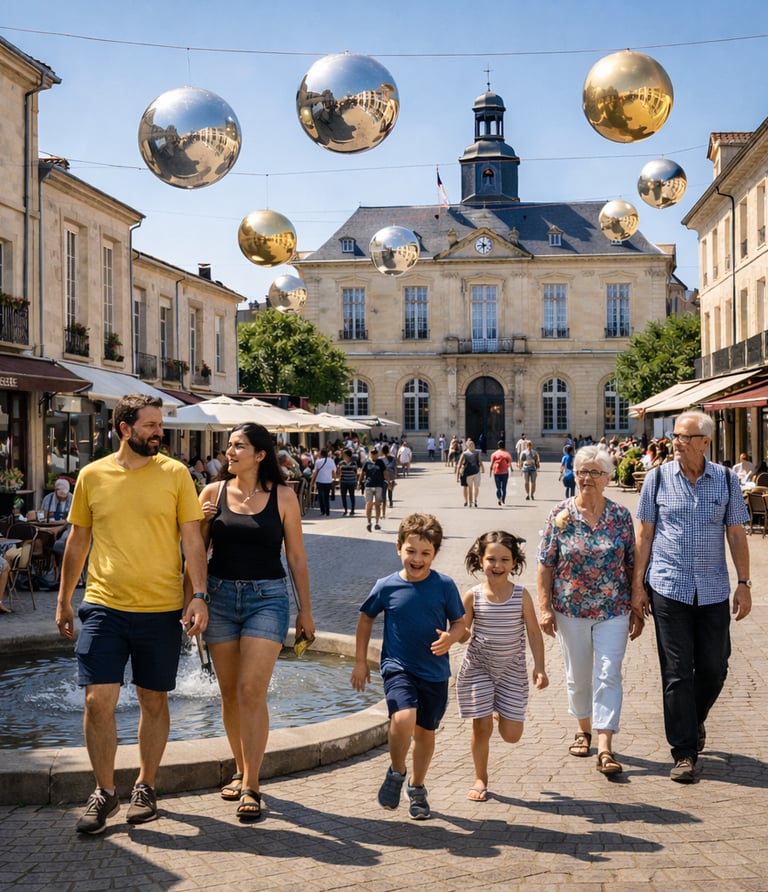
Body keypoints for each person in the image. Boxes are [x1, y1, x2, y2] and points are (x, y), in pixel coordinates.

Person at [55, 394, 209, 835]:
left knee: (152, 699)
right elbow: (78, 543)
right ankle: (104, 792)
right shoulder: (92, 475)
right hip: (104, 606)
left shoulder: (177, 475)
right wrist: (64, 599)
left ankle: (145, 785)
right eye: (150, 425)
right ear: (124, 428)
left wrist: (198, 594)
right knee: (96, 699)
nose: (159, 432)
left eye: (160, 425)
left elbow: (193, 541)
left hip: (160, 609)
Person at [198, 422, 314, 821]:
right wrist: (201, 524)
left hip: (268, 598)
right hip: (220, 597)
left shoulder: (283, 496)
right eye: (228, 446)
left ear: (260, 454)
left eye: (238, 446)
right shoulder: (211, 494)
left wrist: (306, 610)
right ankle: (239, 766)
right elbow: (197, 552)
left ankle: (252, 783)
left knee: (251, 691)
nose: (229, 452)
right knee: (229, 693)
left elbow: (296, 558)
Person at [632, 410, 751, 783]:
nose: (676, 443)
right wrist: (638, 585)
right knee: (677, 672)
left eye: (683, 437)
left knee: (715, 668)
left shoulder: (727, 481)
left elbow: (735, 534)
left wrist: (744, 583)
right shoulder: (657, 479)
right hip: (668, 587)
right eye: (674, 437)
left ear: (705, 442)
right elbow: (645, 535)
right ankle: (684, 752)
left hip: (713, 588)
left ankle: (693, 718)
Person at [350, 513, 465, 820]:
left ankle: (417, 786)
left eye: (425, 553)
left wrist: (450, 639)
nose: (417, 558)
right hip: (398, 666)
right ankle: (397, 771)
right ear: (398, 548)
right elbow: (365, 619)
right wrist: (361, 661)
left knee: (426, 733)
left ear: (436, 553)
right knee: (403, 718)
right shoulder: (385, 586)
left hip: (435, 672)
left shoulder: (445, 585)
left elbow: (460, 625)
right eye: (411, 551)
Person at [537, 445, 638, 777]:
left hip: (614, 607)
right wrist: (545, 607)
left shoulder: (621, 516)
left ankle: (606, 745)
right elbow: (545, 565)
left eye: (595, 472)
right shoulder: (560, 514)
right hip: (571, 608)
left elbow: (633, 563)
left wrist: (637, 602)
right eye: (582, 471)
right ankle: (583, 729)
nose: (587, 478)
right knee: (578, 674)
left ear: (608, 478)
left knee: (609, 672)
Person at [456, 531, 548, 801]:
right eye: (491, 559)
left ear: (514, 563)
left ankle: (499, 711)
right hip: (478, 669)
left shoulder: (521, 596)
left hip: (511, 672)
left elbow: (533, 633)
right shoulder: (472, 596)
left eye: (504, 559)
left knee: (511, 735)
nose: (497, 565)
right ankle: (480, 779)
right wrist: (455, 634)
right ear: (479, 560)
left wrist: (539, 667)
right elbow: (462, 632)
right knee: (481, 726)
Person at [360, 447, 392, 532]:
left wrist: (389, 483)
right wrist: (359, 483)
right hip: (369, 485)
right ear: (370, 454)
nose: (374, 455)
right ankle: (369, 522)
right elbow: (362, 473)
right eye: (372, 453)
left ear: (377, 454)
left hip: (379, 485)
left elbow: (385, 473)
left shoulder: (380, 462)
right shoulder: (366, 462)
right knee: (369, 503)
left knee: (377, 504)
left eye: (375, 453)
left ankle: (377, 522)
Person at [456, 439, 484, 507]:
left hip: (476, 472)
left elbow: (480, 462)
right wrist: (457, 475)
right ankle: (469, 501)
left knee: (476, 487)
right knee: (469, 487)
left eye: (473, 444)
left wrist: (483, 469)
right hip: (468, 473)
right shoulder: (464, 454)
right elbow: (459, 465)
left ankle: (475, 500)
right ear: (468, 446)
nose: (472, 446)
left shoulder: (477, 453)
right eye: (471, 444)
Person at [309, 447, 336, 516]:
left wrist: (312, 482)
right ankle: (327, 511)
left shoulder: (318, 461)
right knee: (326, 496)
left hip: (320, 481)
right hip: (328, 481)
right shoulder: (331, 461)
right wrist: (334, 479)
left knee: (321, 496)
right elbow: (334, 471)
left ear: (321, 454)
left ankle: (322, 510)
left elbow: (315, 472)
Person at [489, 440, 513, 506]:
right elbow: (509, 463)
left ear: (498, 446)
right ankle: (503, 499)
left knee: (498, 487)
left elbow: (491, 464)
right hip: (505, 472)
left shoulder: (494, 454)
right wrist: (511, 468)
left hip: (496, 472)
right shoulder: (507, 454)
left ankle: (499, 498)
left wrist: (490, 471)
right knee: (504, 487)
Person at [337, 448, 359, 517]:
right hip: (343, 482)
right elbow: (339, 472)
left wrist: (357, 481)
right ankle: (345, 509)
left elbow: (356, 473)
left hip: (351, 482)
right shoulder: (341, 463)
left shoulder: (354, 463)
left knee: (352, 496)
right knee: (343, 496)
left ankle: (352, 510)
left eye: (344, 454)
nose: (343, 455)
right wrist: (339, 480)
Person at [380, 443, 398, 517]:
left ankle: (384, 504)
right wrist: (395, 475)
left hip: (383, 477)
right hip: (391, 476)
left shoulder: (380, 459)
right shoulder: (393, 458)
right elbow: (395, 467)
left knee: (383, 493)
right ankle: (390, 502)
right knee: (390, 491)